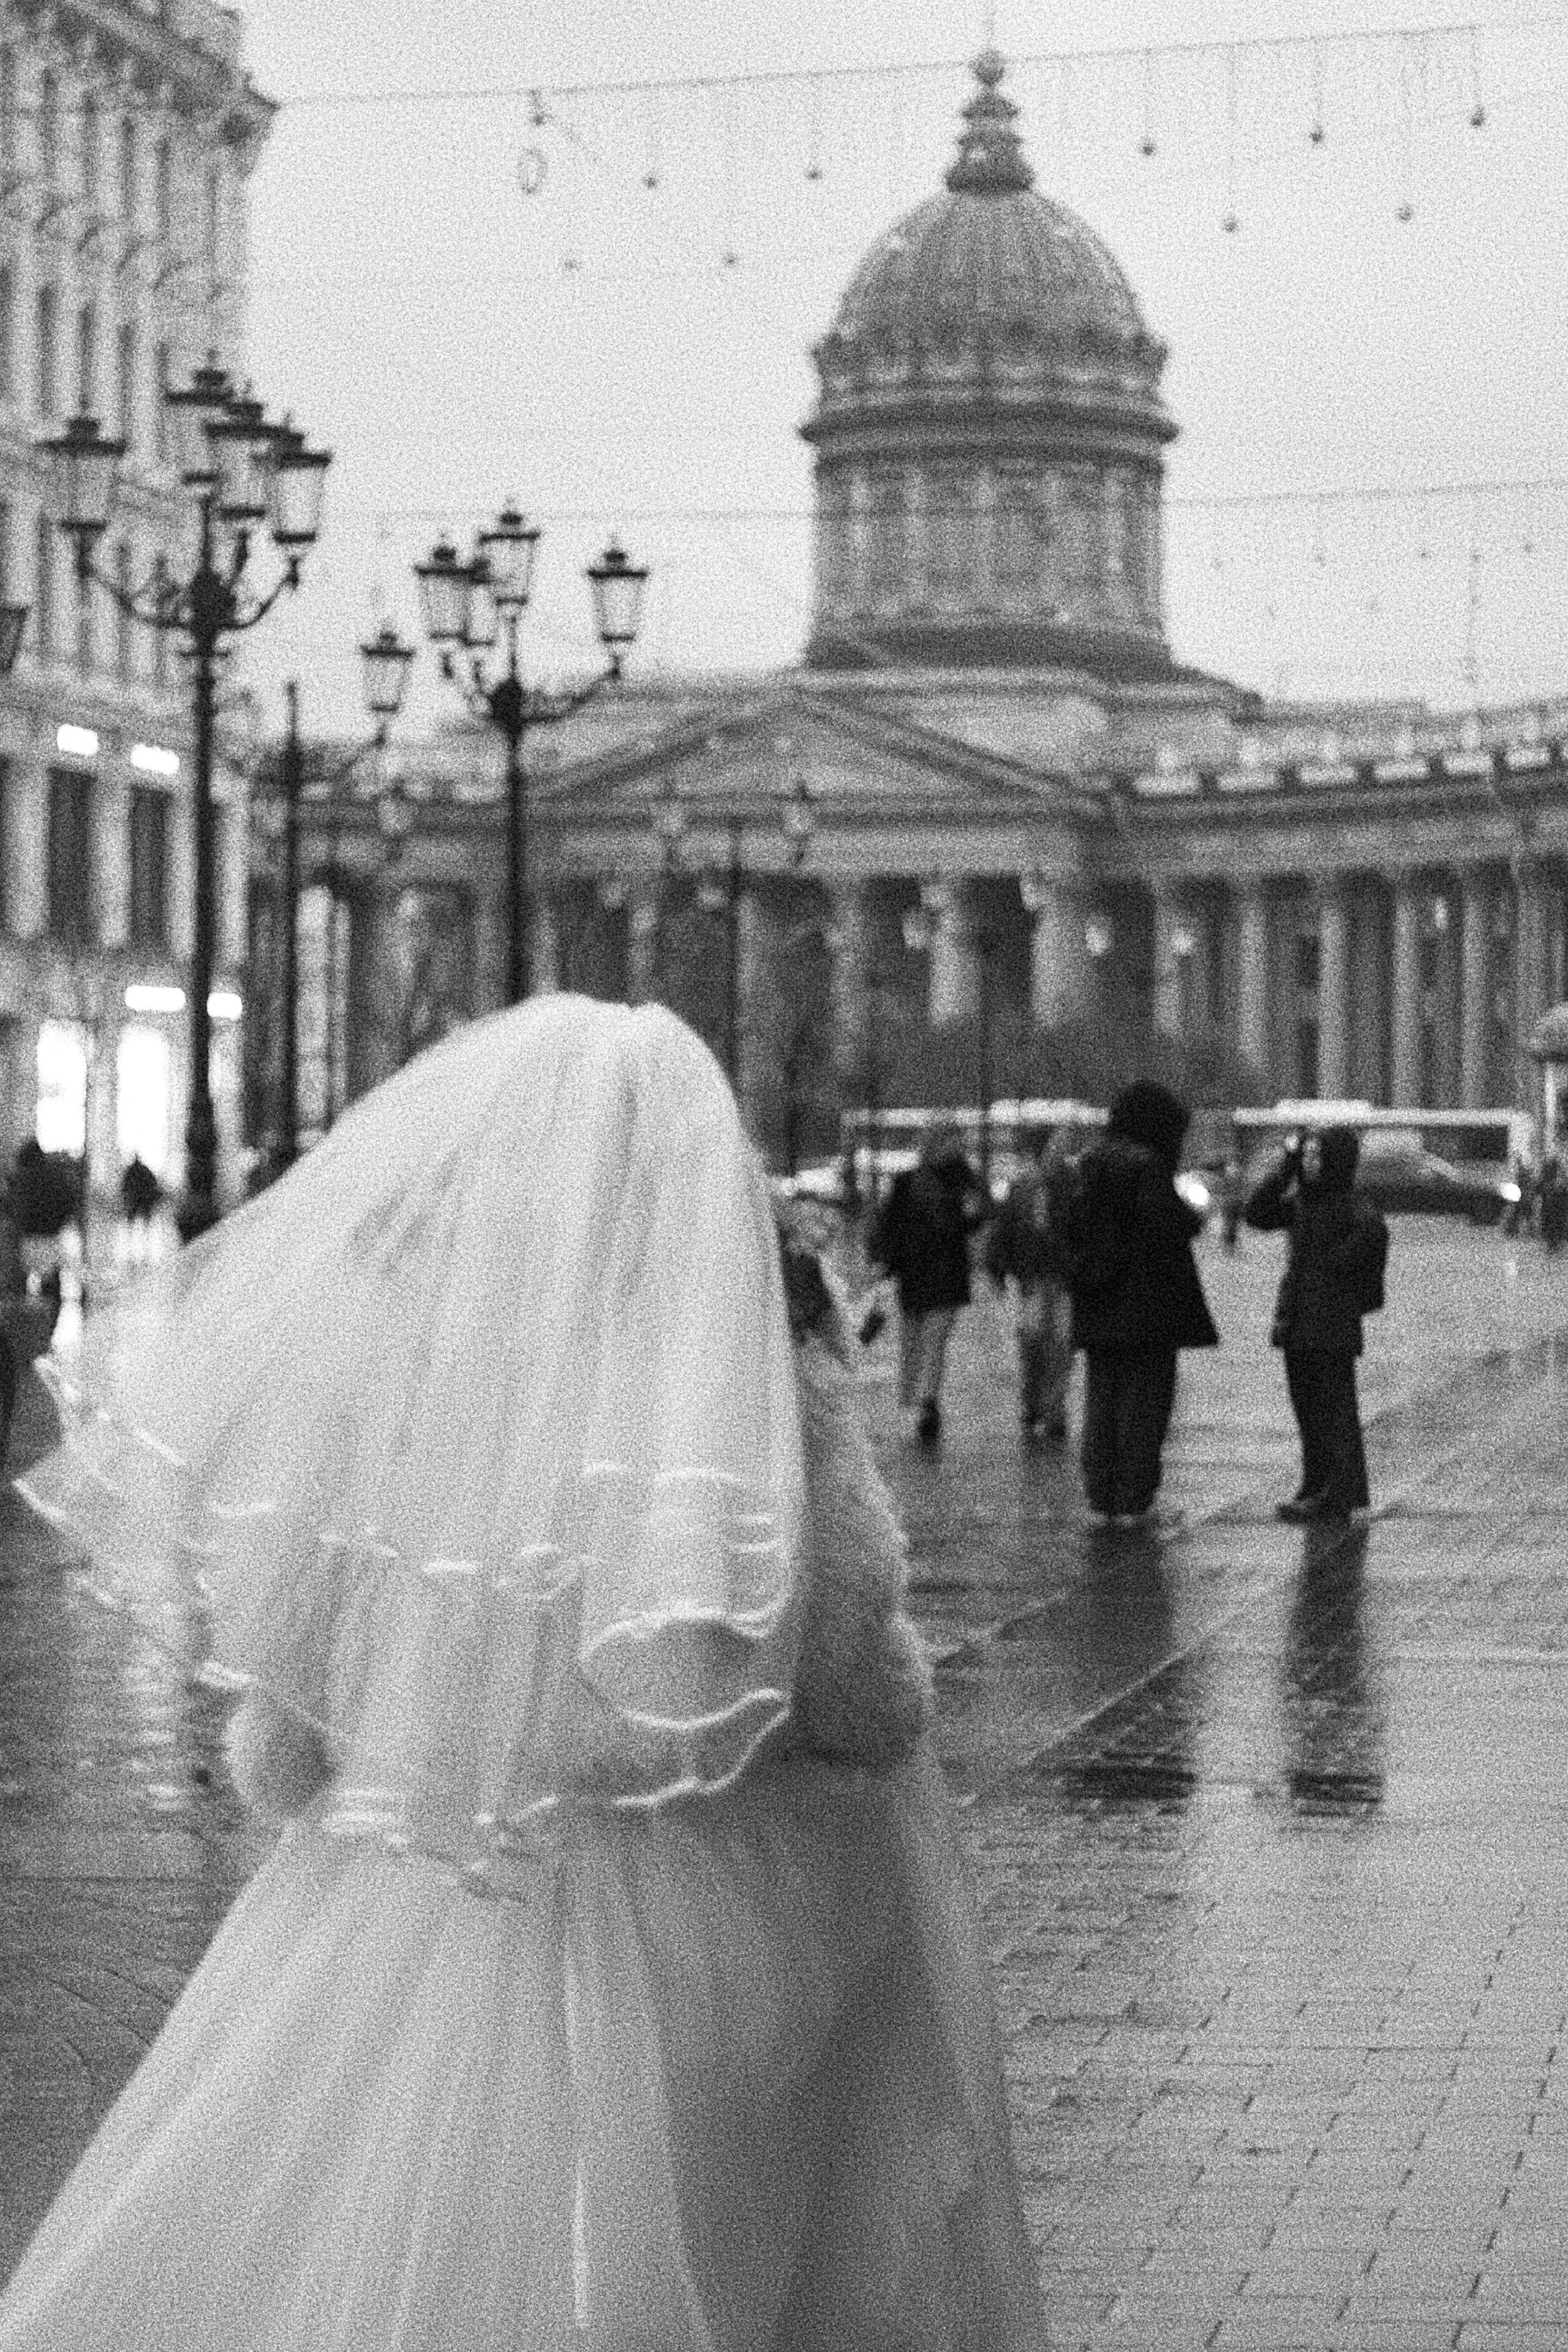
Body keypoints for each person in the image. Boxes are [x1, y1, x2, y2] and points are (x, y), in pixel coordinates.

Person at [0, 996, 1047, 2352]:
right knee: (720, 2241)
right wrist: (881, 1722)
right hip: (707, 1884)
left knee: (379, 2214)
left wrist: (322, 1746)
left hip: (416, 1863)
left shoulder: (415, 1347)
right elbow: (843, 1638)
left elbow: (303, 1651)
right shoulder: (742, 1350)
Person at [1058, 1079, 1218, 1526]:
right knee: (1146, 1403)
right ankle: (1134, 1497)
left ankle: (1102, 1494)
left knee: (1102, 1398)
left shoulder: (1090, 1164)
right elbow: (1165, 1225)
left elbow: (1072, 1228)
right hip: (1147, 1305)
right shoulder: (1146, 1167)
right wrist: (1195, 1215)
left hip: (1099, 1300)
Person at [1243, 1126, 1389, 1523]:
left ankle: (1338, 1493)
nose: (1309, 1163)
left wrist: (1331, 1270)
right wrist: (1285, 1169)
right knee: (1308, 1412)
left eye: (1315, 1156)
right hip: (1298, 1322)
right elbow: (1255, 1212)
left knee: (1334, 1412)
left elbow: (1373, 1236)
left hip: (1331, 1325)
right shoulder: (1302, 1202)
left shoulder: (1351, 1204)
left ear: (1335, 1160)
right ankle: (1316, 1486)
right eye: (1305, 1156)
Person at [866, 1115, 989, 1445]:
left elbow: (975, 1219)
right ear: (938, 1142)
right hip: (917, 1273)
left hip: (944, 1274)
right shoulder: (908, 1181)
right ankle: (921, 1399)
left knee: (934, 1342)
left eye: (959, 1140)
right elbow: (890, 1226)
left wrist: (973, 1212)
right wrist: (882, 1263)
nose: (958, 1146)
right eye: (953, 1139)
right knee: (914, 1342)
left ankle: (928, 1403)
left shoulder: (964, 1179)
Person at [984, 1122, 1072, 1439]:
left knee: (1061, 1343)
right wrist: (998, 1268)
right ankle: (1035, 1400)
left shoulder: (1073, 1186)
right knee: (1034, 1340)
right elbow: (1006, 1229)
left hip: (1062, 1278)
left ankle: (1054, 1406)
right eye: (1056, 1144)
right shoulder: (1023, 1188)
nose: (1061, 1151)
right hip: (1033, 1277)